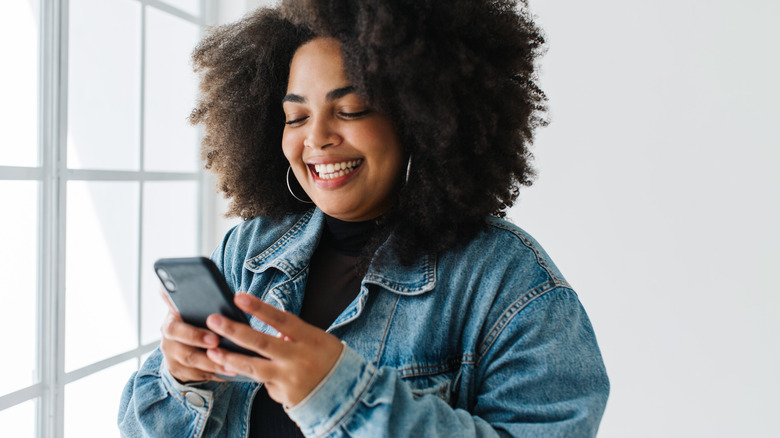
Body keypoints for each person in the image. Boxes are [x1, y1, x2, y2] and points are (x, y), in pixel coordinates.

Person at [118, 0, 610, 436]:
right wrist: (181, 378)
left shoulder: (510, 283)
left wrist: (340, 396)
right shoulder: (247, 251)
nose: (317, 138)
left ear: (422, 118)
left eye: (350, 109)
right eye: (296, 117)